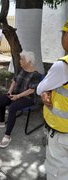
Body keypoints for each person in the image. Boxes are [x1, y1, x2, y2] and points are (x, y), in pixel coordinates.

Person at [37, 20, 68, 180]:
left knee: (57, 173)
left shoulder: (62, 66)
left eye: (63, 34)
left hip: (61, 134)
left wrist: (45, 90)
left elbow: (39, 88)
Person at [0, 50, 41, 148]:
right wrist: (9, 92)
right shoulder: (21, 69)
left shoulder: (36, 75)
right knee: (1, 100)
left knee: (13, 107)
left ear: (29, 61)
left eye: (22, 59)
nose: (20, 61)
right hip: (15, 94)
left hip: (28, 98)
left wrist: (17, 96)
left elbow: (31, 90)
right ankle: (1, 122)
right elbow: (14, 81)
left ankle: (7, 135)